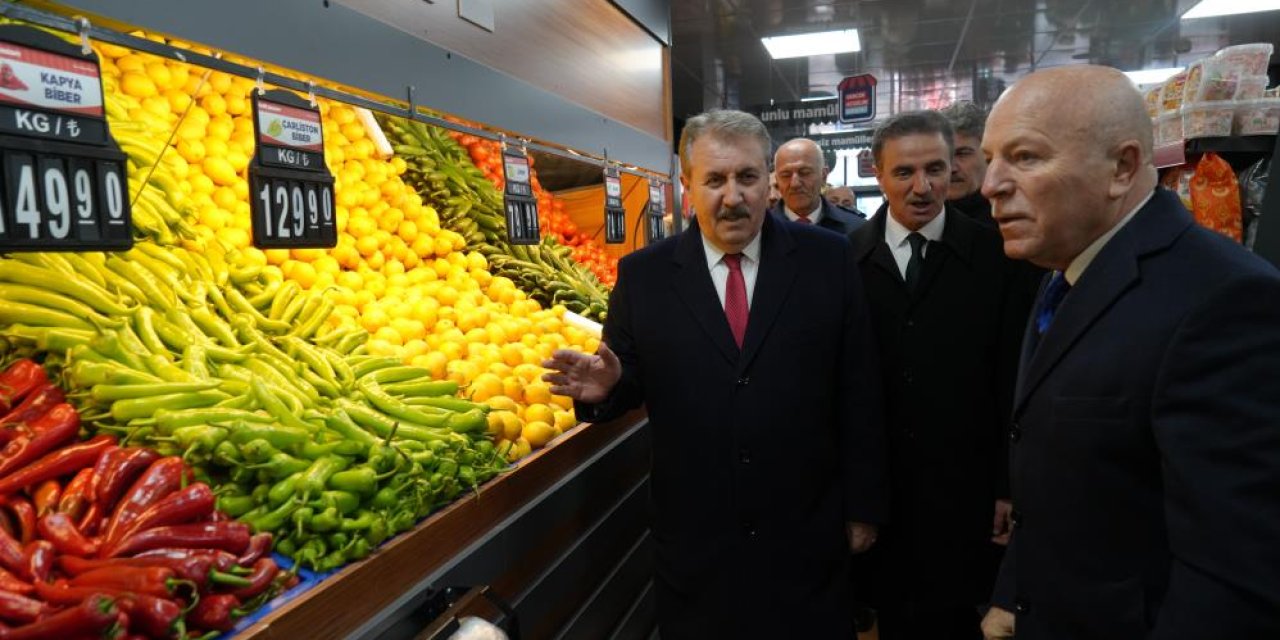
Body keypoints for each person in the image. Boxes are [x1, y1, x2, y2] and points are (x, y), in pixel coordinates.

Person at [542, 109, 889, 637]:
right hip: (697, 545)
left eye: (747, 177)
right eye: (715, 180)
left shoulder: (827, 260)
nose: (733, 196)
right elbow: (627, 379)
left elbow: (859, 386)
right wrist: (608, 388)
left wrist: (862, 505)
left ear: (768, 180)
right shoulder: (644, 277)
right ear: (687, 186)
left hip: (805, 536)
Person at [978, 65, 1280, 640]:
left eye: (1025, 157)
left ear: (1121, 167)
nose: (990, 183)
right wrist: (1012, 596)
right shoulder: (1064, 272)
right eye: (992, 158)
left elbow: (1234, 572)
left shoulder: (1224, 301)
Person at [848, 111, 1032, 640]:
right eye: (903, 172)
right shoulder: (844, 262)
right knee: (891, 612)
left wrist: (1007, 484)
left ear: (954, 167)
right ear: (878, 175)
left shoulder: (997, 257)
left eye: (936, 168)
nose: (922, 186)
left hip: (965, 490)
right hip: (880, 491)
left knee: (957, 616)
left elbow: (1011, 379)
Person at [771, 137, 866, 234]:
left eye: (805, 173)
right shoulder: (759, 229)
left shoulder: (857, 230)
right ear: (777, 179)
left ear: (824, 175)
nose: (795, 184)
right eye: (786, 175)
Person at [939, 101, 993, 227]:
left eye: (962, 154)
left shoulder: (1011, 220)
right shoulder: (920, 222)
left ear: (988, 156)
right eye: (943, 156)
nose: (951, 168)